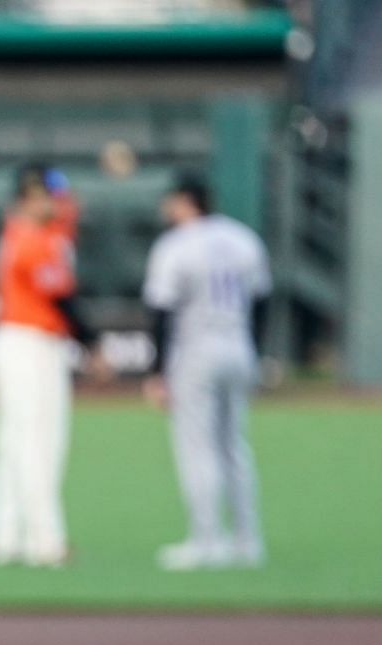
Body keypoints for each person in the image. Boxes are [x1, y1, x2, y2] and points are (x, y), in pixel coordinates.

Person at [141, 173, 272, 570]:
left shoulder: (175, 245)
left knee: (197, 449)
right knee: (233, 446)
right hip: (238, 345)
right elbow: (262, 301)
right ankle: (247, 541)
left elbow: (161, 311)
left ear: (185, 201)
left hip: (196, 351)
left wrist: (157, 371)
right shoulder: (243, 238)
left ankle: (206, 540)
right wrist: (257, 353)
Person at [0, 166, 92, 568]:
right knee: (38, 443)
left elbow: (67, 216)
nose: (53, 202)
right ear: (27, 199)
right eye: (44, 195)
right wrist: (92, 344)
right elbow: (61, 296)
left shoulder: (32, 233)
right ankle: (44, 541)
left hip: (23, 340)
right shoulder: (31, 240)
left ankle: (6, 539)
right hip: (29, 342)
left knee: (14, 443)